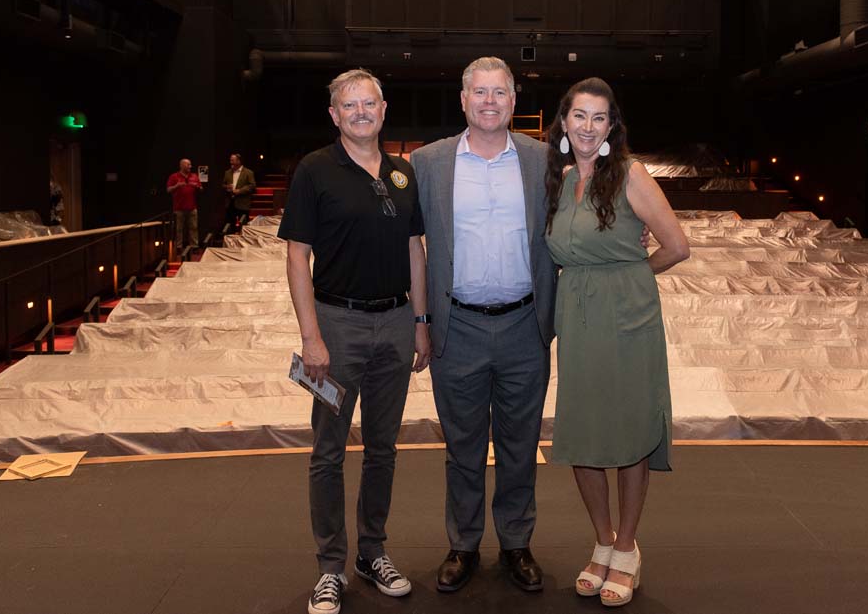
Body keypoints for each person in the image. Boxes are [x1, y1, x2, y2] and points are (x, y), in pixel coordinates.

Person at [278, 69, 432, 614]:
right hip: (335, 329)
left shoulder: (402, 175)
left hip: (394, 325)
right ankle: (329, 567)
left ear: (384, 110)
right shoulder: (315, 171)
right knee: (328, 451)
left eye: (369, 103)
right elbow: (297, 256)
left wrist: (420, 321)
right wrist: (311, 336)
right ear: (335, 114)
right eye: (350, 105)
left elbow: (416, 249)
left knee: (383, 448)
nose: (361, 112)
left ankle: (372, 552)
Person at [410, 56, 557, 594]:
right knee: (463, 448)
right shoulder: (427, 163)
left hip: (525, 326)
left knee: (520, 446)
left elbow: (583, 216)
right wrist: (420, 323)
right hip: (458, 328)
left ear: (514, 102)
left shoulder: (545, 161)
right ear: (463, 99)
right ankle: (464, 544)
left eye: (499, 92)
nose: (489, 101)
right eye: (479, 91)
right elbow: (414, 250)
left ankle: (517, 543)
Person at [544, 77, 690, 607]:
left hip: (628, 319)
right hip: (578, 320)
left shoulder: (631, 174)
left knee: (628, 434)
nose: (587, 127)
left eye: (598, 118)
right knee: (583, 432)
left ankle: (627, 548)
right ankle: (602, 542)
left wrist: (631, 272)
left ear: (611, 127)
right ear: (564, 122)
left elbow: (677, 246)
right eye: (578, 116)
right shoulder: (560, 183)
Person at [166, 158, 202, 250]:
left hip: (192, 207)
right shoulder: (174, 176)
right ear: (181, 165)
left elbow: (201, 188)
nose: (190, 166)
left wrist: (197, 187)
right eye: (188, 165)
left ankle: (194, 247)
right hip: (179, 208)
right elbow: (168, 190)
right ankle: (178, 247)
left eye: (190, 164)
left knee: (193, 228)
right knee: (178, 229)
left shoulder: (194, 176)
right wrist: (176, 186)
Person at [222, 153, 257, 231]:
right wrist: (227, 187)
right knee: (230, 225)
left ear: (239, 161)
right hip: (230, 203)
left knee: (243, 226)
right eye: (230, 160)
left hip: (243, 204)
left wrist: (240, 191)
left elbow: (252, 186)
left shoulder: (248, 172)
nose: (231, 162)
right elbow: (223, 185)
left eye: (233, 160)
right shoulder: (227, 172)